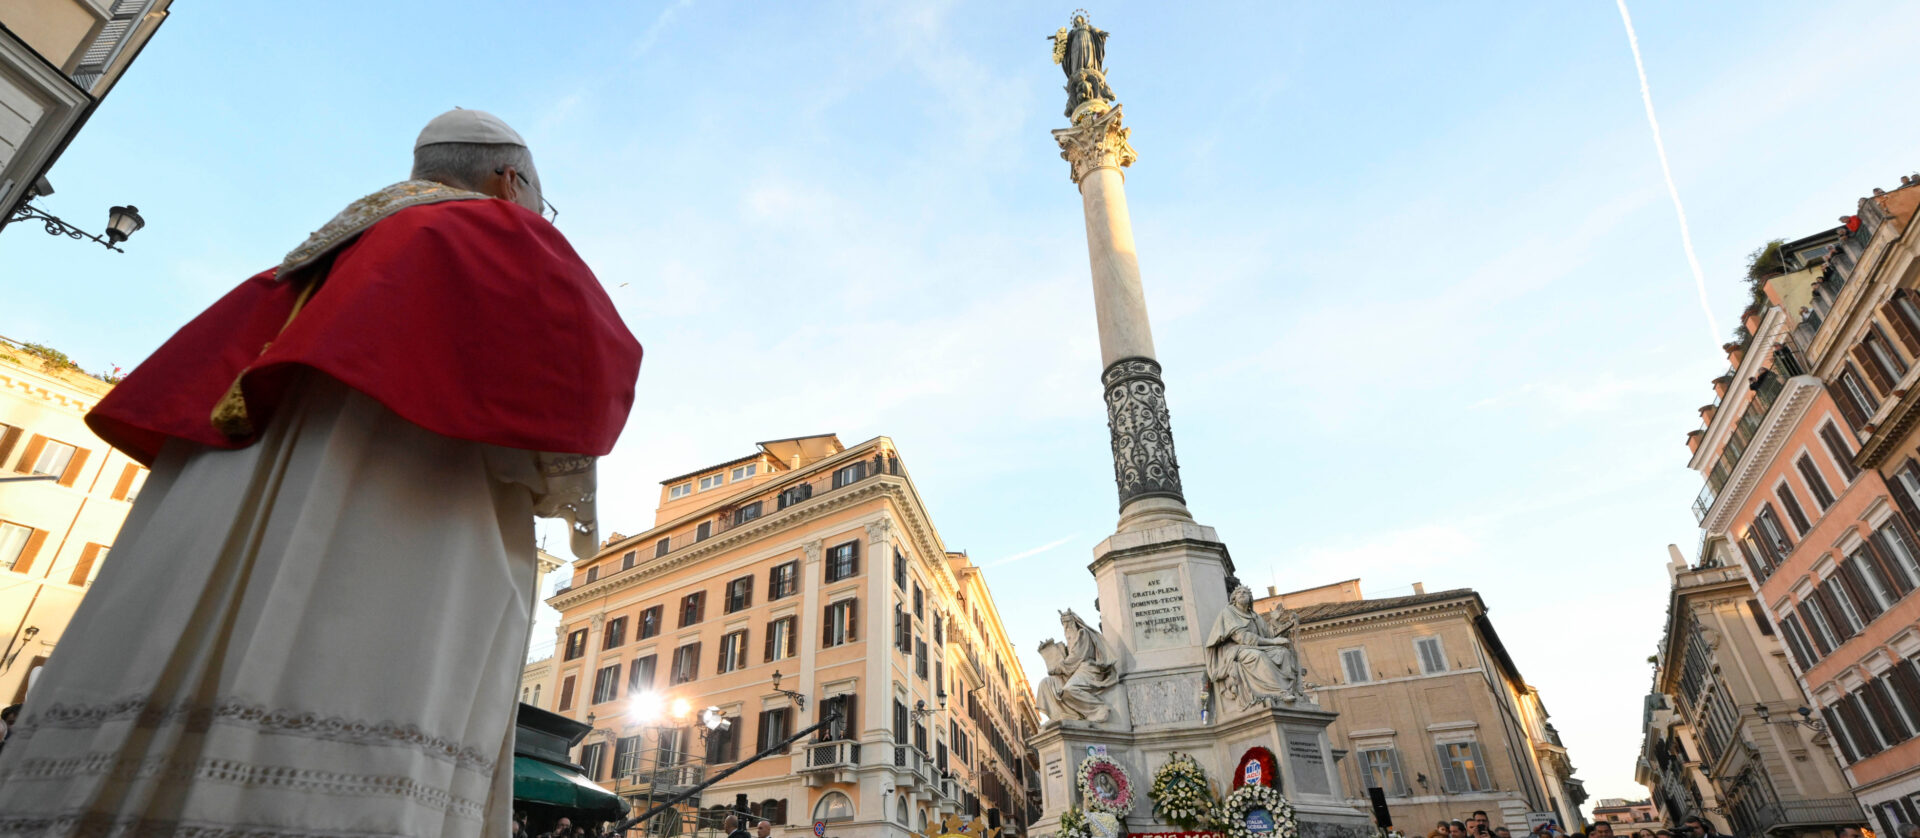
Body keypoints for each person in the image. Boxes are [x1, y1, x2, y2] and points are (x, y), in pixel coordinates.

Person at [0, 109, 642, 836]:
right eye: (537, 197)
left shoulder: (306, 266)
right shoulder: (495, 233)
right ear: (509, 179)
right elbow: (591, 365)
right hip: (406, 494)